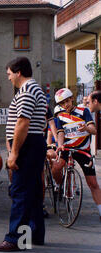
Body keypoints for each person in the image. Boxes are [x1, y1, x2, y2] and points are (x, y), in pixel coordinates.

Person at [0, 57, 47, 252]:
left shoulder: (27, 91)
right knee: (32, 192)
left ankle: (15, 238)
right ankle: (35, 234)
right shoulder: (33, 89)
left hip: (28, 145)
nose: (8, 78)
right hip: (34, 143)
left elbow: (22, 123)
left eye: (9, 74)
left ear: (18, 72)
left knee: (20, 192)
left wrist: (14, 153)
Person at [51, 88, 100, 221]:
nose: (66, 105)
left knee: (93, 183)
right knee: (56, 167)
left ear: (72, 98)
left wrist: (86, 128)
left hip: (83, 150)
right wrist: (60, 144)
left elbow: (94, 130)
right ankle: (59, 185)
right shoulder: (59, 116)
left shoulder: (84, 111)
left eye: (67, 101)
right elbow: (60, 133)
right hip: (66, 148)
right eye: (62, 103)